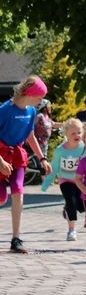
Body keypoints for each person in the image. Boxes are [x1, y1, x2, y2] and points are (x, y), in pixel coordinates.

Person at [0, 76, 51, 253]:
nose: (41, 101)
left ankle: (16, 238)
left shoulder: (30, 112)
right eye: (39, 97)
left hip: (17, 156)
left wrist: (42, 158)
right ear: (29, 94)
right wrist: (1, 162)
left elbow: (30, 136)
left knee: (18, 191)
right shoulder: (5, 110)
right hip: (0, 154)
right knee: (1, 198)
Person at [41, 118, 86, 241]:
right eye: (73, 133)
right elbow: (54, 168)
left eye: (79, 132)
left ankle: (67, 211)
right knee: (71, 202)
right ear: (66, 135)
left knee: (81, 207)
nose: (77, 135)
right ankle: (71, 231)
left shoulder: (85, 148)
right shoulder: (60, 150)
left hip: (80, 181)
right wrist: (46, 184)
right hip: (66, 181)